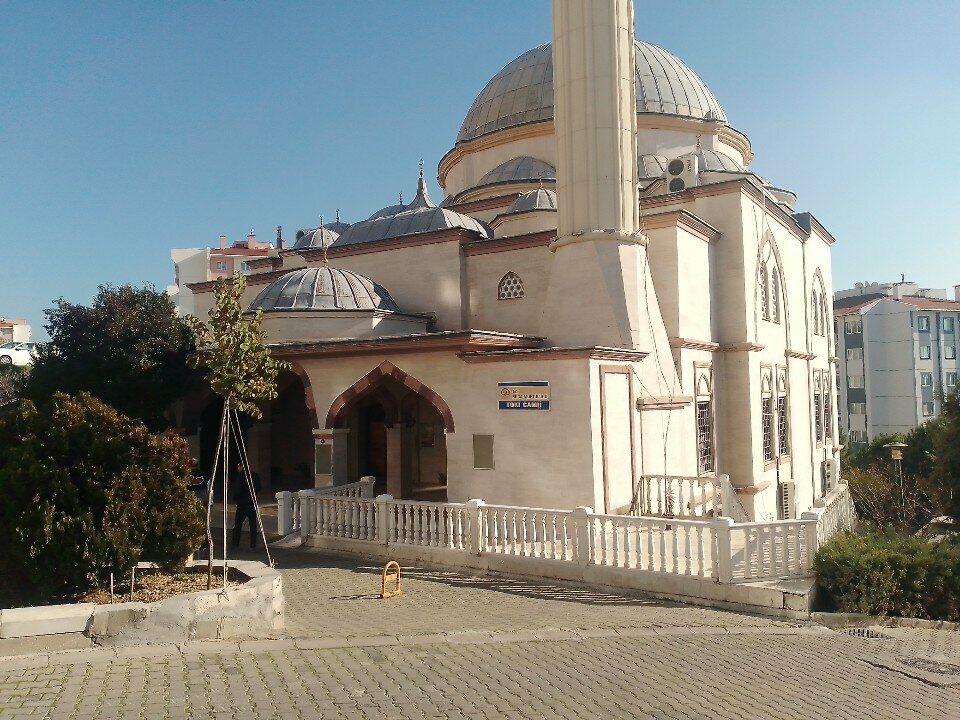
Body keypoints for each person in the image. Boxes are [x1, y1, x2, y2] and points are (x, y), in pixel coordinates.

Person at [230, 461, 262, 550]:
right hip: (252, 502)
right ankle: (253, 544)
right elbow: (259, 487)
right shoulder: (254, 475)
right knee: (252, 524)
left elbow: (237, 490)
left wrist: (236, 499)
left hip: (242, 503)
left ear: (240, 467)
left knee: (238, 524)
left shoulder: (240, 476)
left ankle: (235, 543)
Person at [187, 458, 210, 560]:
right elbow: (209, 489)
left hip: (189, 503)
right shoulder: (204, 475)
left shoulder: (184, 475)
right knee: (203, 525)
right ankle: (203, 546)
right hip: (202, 502)